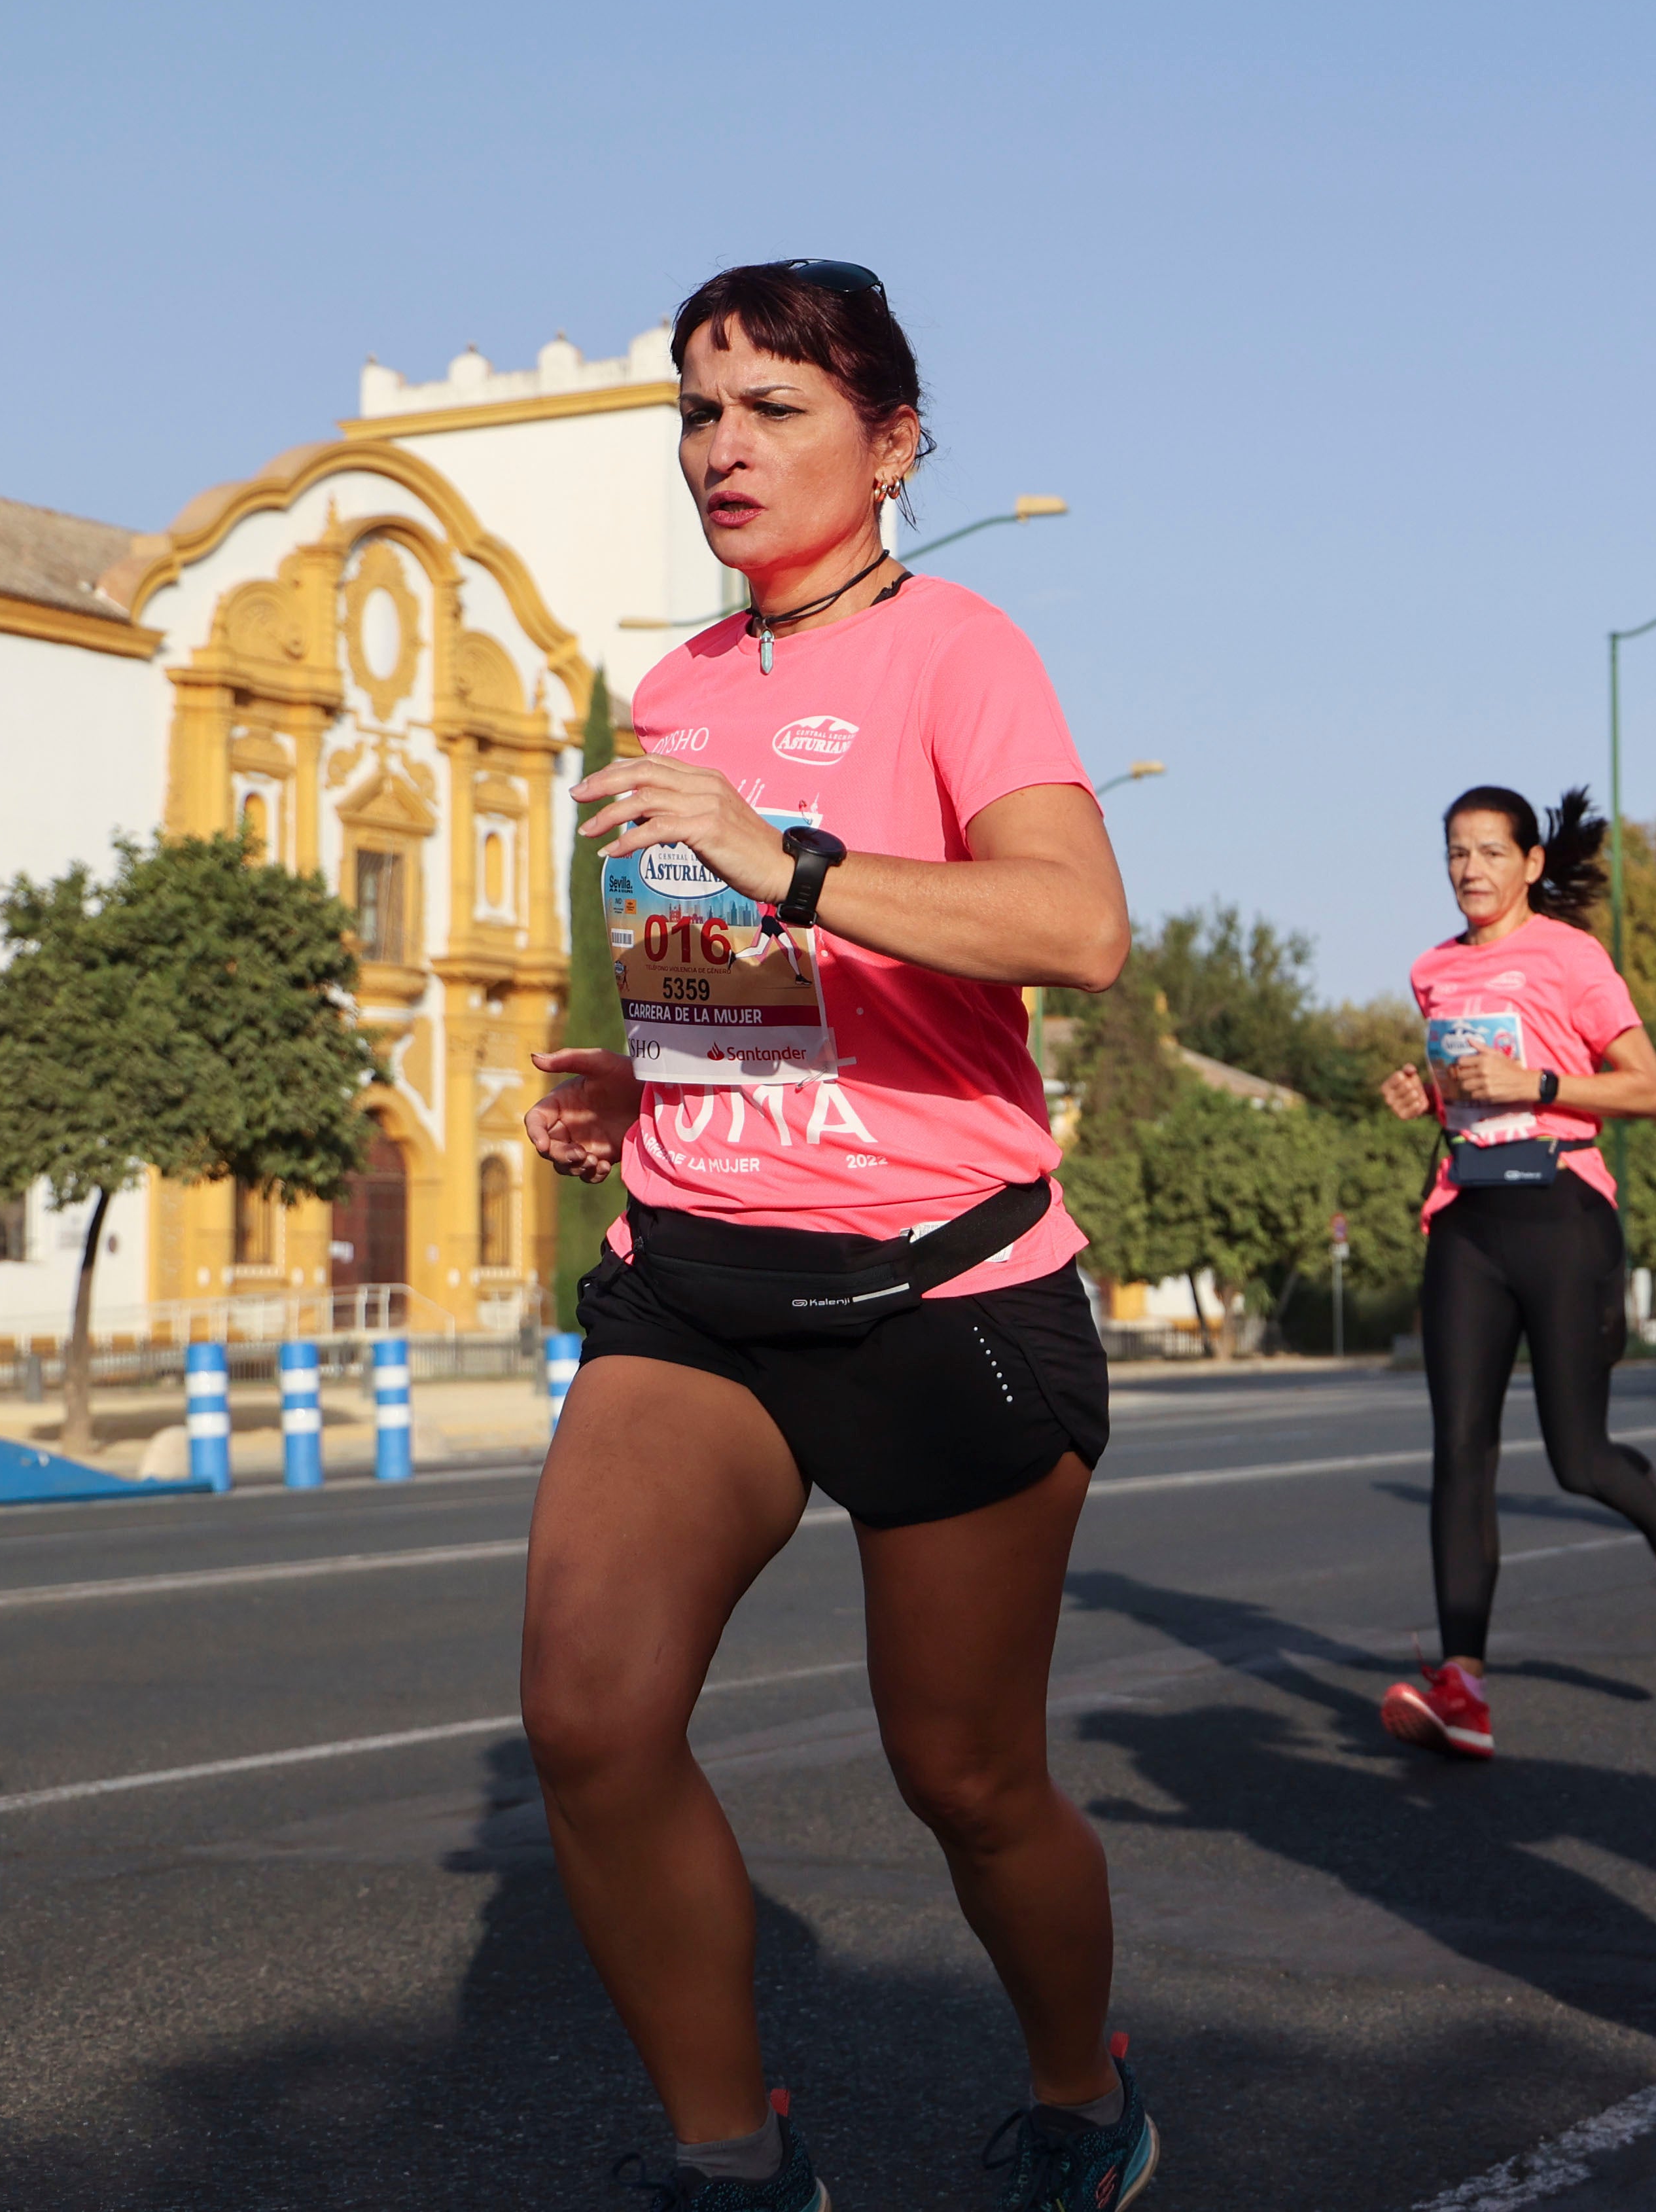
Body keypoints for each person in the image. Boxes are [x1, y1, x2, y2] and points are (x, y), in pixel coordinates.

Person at [520, 260, 1157, 2212]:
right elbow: (747, 977)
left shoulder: (962, 650)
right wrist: (653, 1078)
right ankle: (736, 2159)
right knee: (589, 1718)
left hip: (944, 1286)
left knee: (965, 1775)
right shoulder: (678, 686)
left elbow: (1077, 928)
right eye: (698, 412)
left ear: (888, 446)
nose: (721, 447)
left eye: (770, 409)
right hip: (700, 1276)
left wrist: (782, 854)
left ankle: (1084, 2089)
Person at [1376, 787, 1656, 1762]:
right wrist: (1425, 1091)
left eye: (1491, 851)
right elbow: (1458, 1082)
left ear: (1531, 863)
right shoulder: (1432, 970)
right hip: (1468, 1219)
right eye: (1457, 853)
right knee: (1461, 1452)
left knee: (1578, 1455)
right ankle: (1464, 1685)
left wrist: (1538, 1085)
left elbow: (1648, 1088)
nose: (1471, 869)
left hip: (1565, 1211)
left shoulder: (1575, 957)